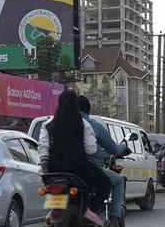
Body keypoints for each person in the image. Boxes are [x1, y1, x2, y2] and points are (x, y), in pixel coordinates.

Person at [38, 90, 110, 227]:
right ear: (75, 106)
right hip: (79, 168)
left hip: (54, 170)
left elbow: (43, 150)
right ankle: (91, 211)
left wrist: (46, 172)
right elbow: (91, 149)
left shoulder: (47, 125)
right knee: (105, 183)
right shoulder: (83, 124)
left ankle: (52, 209)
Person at [77, 96, 129, 227]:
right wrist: (123, 147)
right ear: (88, 110)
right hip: (90, 169)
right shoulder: (93, 126)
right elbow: (113, 149)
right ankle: (113, 219)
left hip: (66, 169)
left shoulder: (61, 125)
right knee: (118, 181)